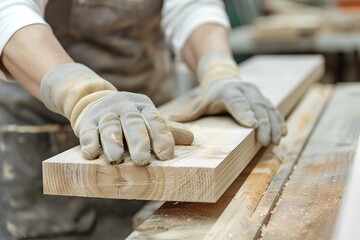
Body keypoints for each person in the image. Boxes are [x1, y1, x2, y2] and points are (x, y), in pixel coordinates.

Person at [0, 0, 287, 238]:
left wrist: (217, 69)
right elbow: (9, 11)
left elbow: (191, 6)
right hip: (41, 131)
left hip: (147, 129)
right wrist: (82, 94)